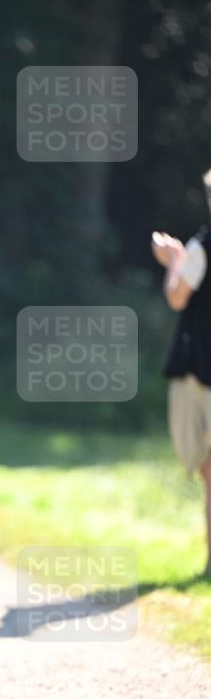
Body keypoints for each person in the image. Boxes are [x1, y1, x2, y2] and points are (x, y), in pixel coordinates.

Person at [152, 167, 211, 577]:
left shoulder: (201, 247)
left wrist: (174, 259)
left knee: (206, 466)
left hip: (201, 370)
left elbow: (177, 296)